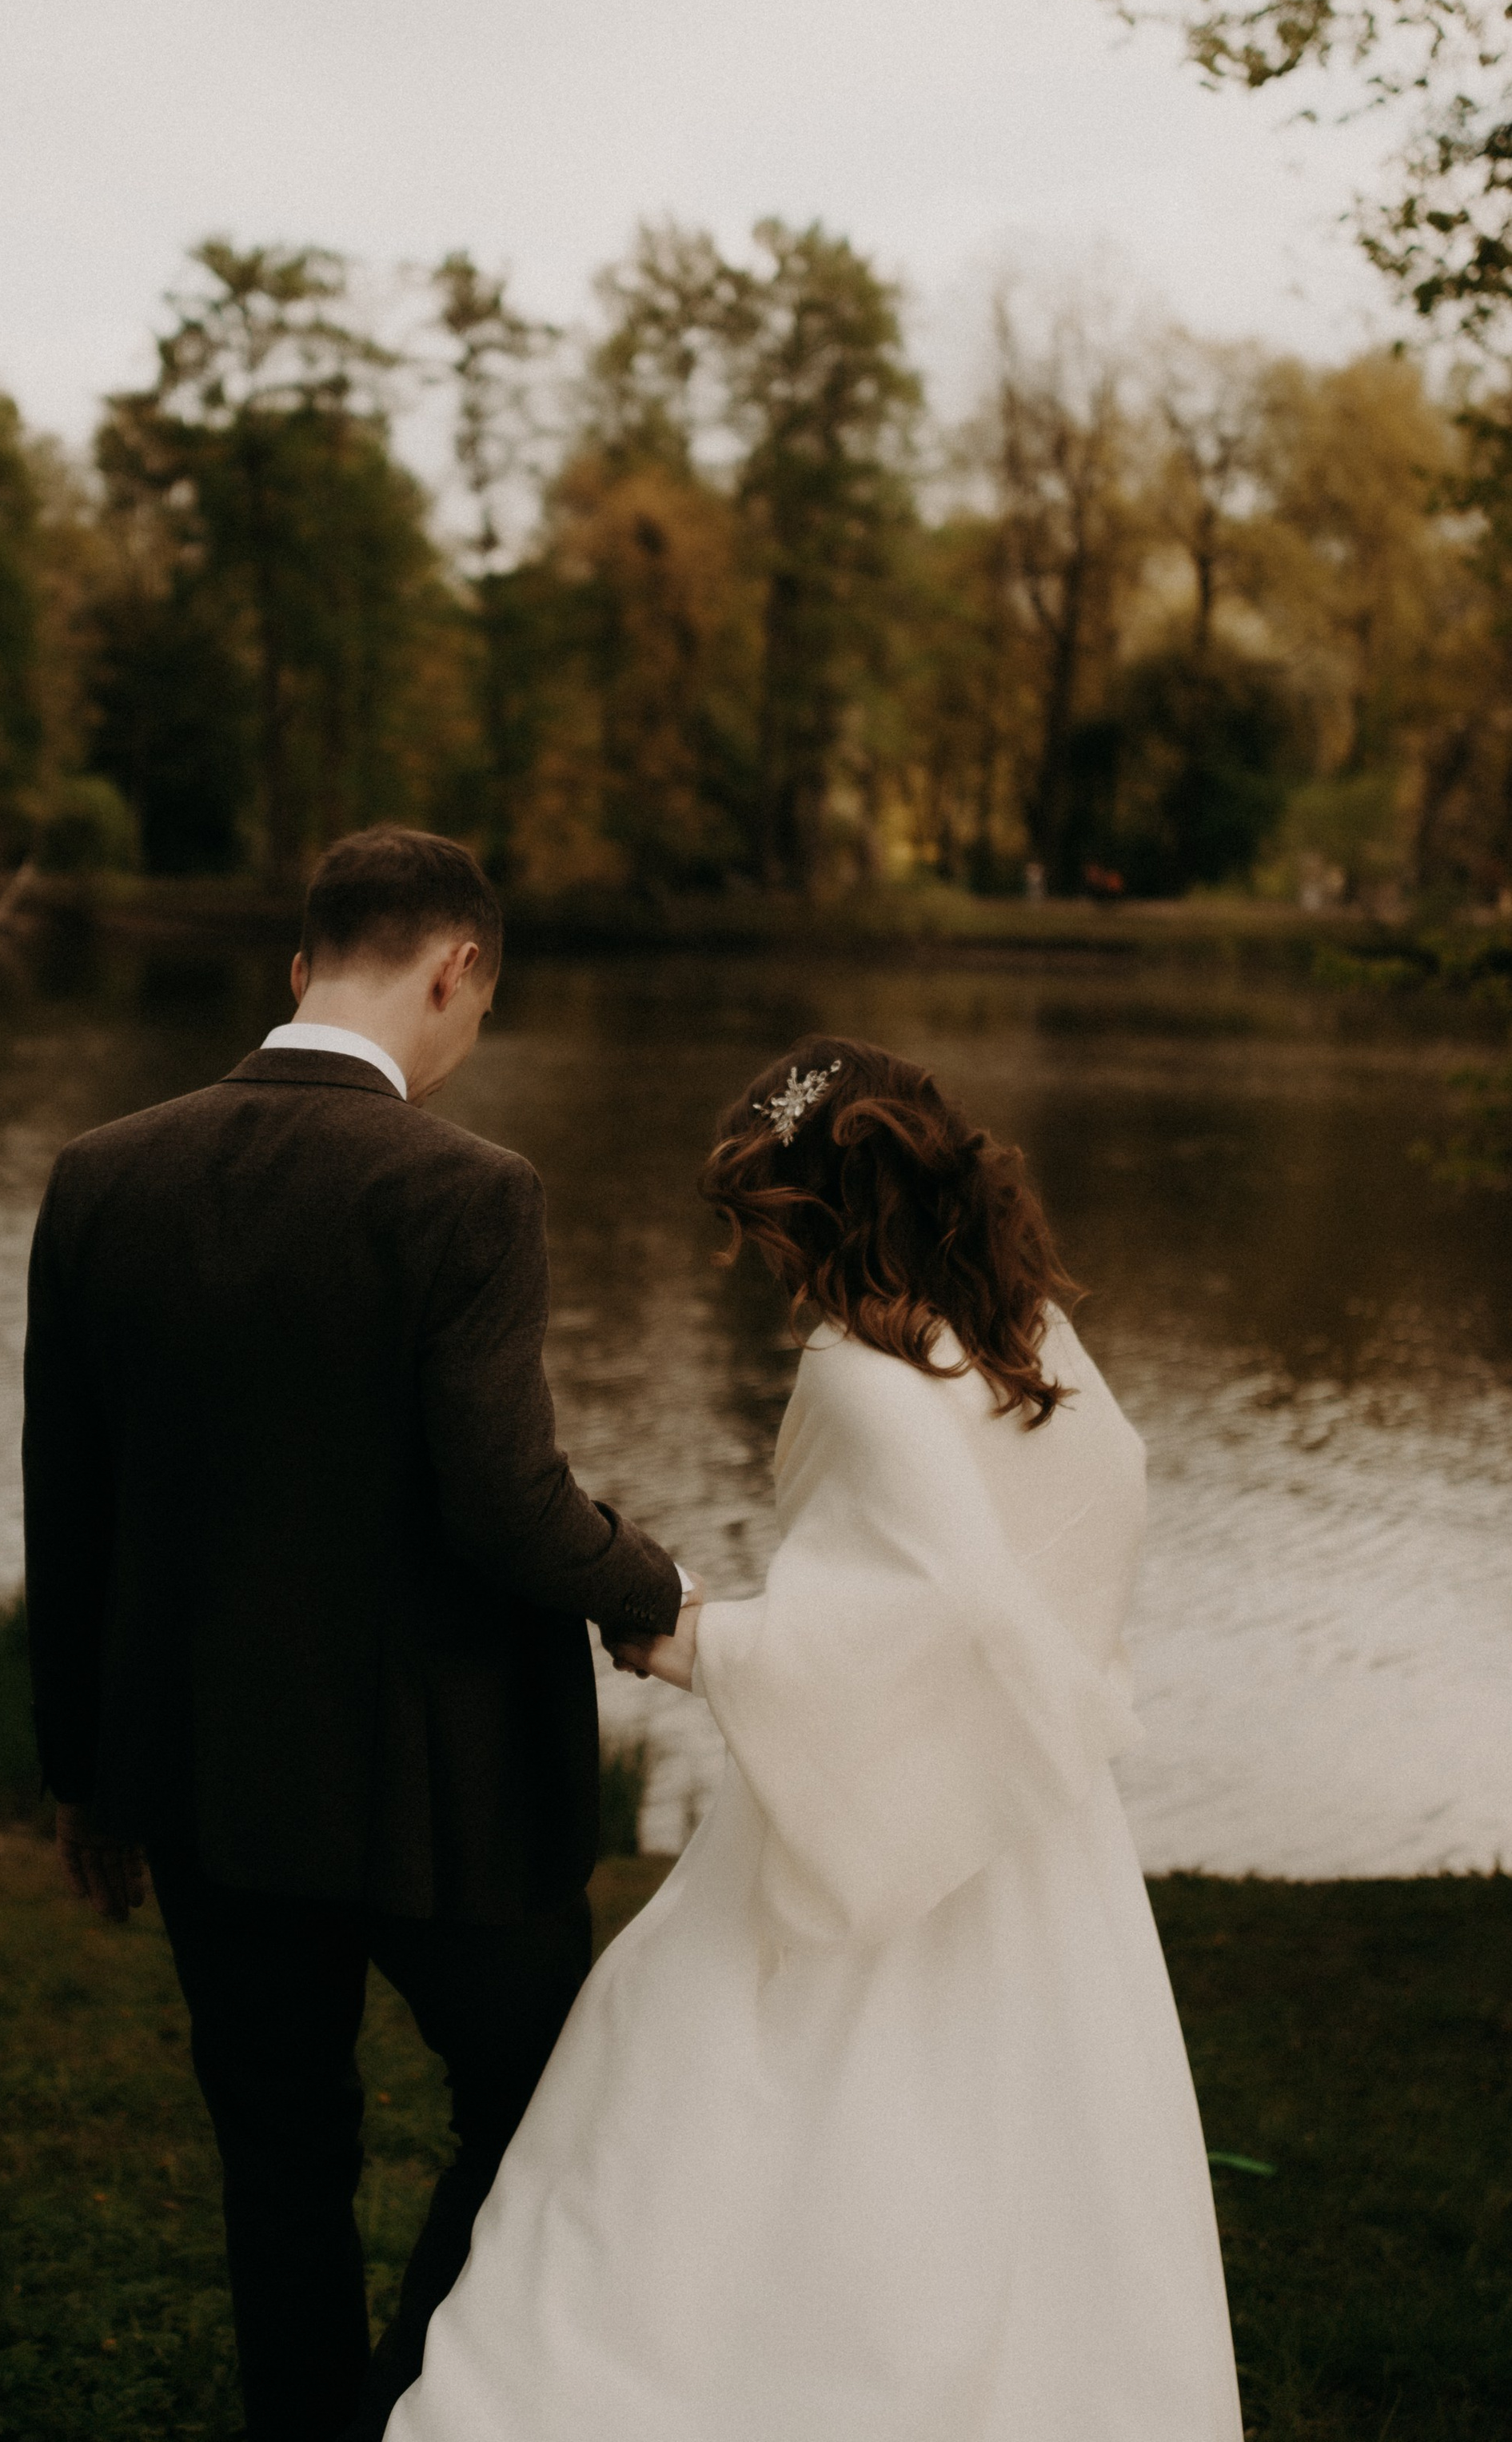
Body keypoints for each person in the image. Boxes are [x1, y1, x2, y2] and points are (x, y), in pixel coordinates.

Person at [389, 1034, 1244, 2442]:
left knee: (701, 2079)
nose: (758, 1266)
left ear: (812, 1214)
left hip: (886, 1800)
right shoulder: (1018, 1334)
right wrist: (1051, 1693)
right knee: (1035, 2147)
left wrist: (703, 1643)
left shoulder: (857, 1368)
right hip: (1034, 1818)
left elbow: (939, 1603)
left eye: (758, 1231)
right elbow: (1100, 1509)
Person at [20, 826, 688, 2442]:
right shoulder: (469, 1194)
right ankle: (417, 2402)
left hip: (200, 1780)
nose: (466, 1043)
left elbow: (68, 1508)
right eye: (477, 1006)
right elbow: (504, 1501)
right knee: (538, 2099)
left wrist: (86, 1777)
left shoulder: (101, 1174)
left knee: (280, 2150)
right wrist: (650, 1588)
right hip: (434, 1796)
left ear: (299, 963)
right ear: (455, 968)